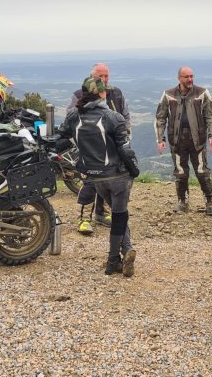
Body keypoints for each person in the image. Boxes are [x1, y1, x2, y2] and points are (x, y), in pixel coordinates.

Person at [58, 76, 140, 277]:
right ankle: (113, 260)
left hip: (95, 178)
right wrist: (134, 170)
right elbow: (125, 150)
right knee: (120, 217)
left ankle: (126, 250)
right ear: (103, 93)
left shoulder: (73, 117)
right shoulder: (113, 117)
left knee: (120, 216)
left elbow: (60, 139)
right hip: (117, 176)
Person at [67, 63, 131, 234]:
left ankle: (103, 214)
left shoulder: (116, 93)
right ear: (91, 76)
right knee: (90, 181)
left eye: (106, 76)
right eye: (100, 76)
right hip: (90, 147)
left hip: (112, 147)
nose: (104, 79)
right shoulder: (79, 95)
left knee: (110, 179)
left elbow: (125, 116)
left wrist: (125, 137)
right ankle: (84, 218)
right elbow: (71, 119)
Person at [155, 66, 212, 216]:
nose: (190, 79)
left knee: (202, 171)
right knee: (181, 172)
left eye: (191, 76)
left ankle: (210, 201)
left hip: (198, 139)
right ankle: (182, 201)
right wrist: (160, 138)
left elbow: (211, 115)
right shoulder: (168, 94)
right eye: (186, 77)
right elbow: (160, 117)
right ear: (179, 78)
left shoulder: (202, 93)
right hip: (177, 140)